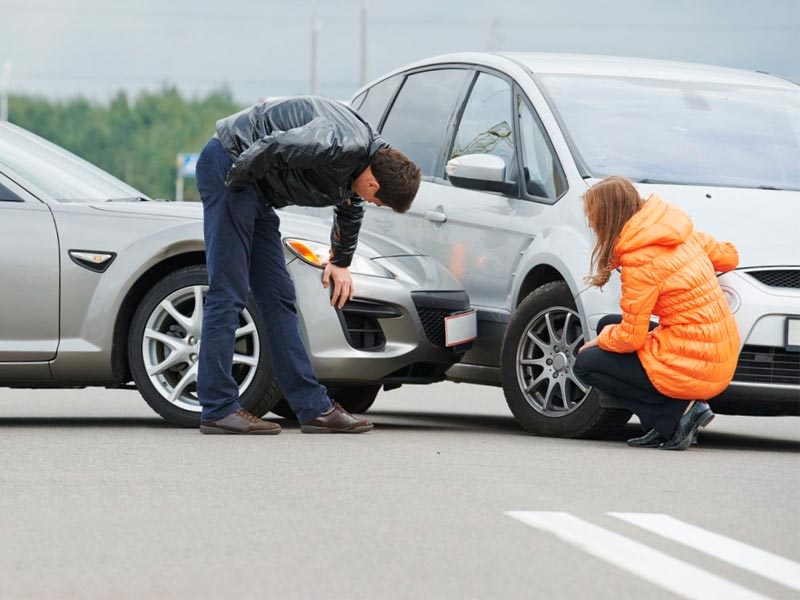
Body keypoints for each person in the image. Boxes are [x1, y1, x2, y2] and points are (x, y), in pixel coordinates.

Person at [195, 96, 421, 435]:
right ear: (374, 183)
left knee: (279, 297)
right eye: (379, 200)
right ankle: (218, 408)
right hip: (232, 168)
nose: (373, 203)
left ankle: (313, 408)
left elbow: (350, 206)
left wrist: (341, 262)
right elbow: (275, 145)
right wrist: (234, 186)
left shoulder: (367, 158)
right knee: (229, 290)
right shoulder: (337, 143)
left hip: (254, 188)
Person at [573, 176, 740, 450]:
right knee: (608, 322)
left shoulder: (640, 260)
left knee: (586, 363)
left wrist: (601, 340)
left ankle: (676, 416)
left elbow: (631, 338)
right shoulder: (677, 232)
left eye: (593, 217)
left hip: (695, 361)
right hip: (719, 349)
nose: (591, 224)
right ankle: (662, 424)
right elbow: (730, 257)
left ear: (608, 217)